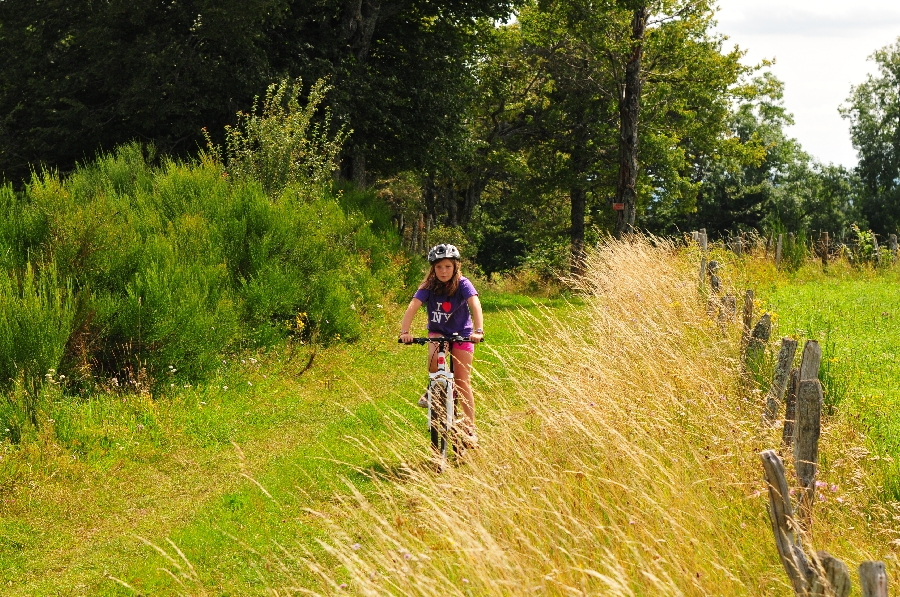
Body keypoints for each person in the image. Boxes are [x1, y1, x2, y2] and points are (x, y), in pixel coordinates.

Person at [399, 243, 484, 447]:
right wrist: (405, 332)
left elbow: (475, 304)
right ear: (432, 269)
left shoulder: (463, 284)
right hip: (438, 332)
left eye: (447, 266)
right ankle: (433, 390)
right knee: (433, 364)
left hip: (462, 334)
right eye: (438, 267)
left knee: (463, 381)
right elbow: (413, 307)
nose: (443, 271)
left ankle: (469, 428)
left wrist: (478, 331)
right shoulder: (428, 286)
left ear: (455, 266)